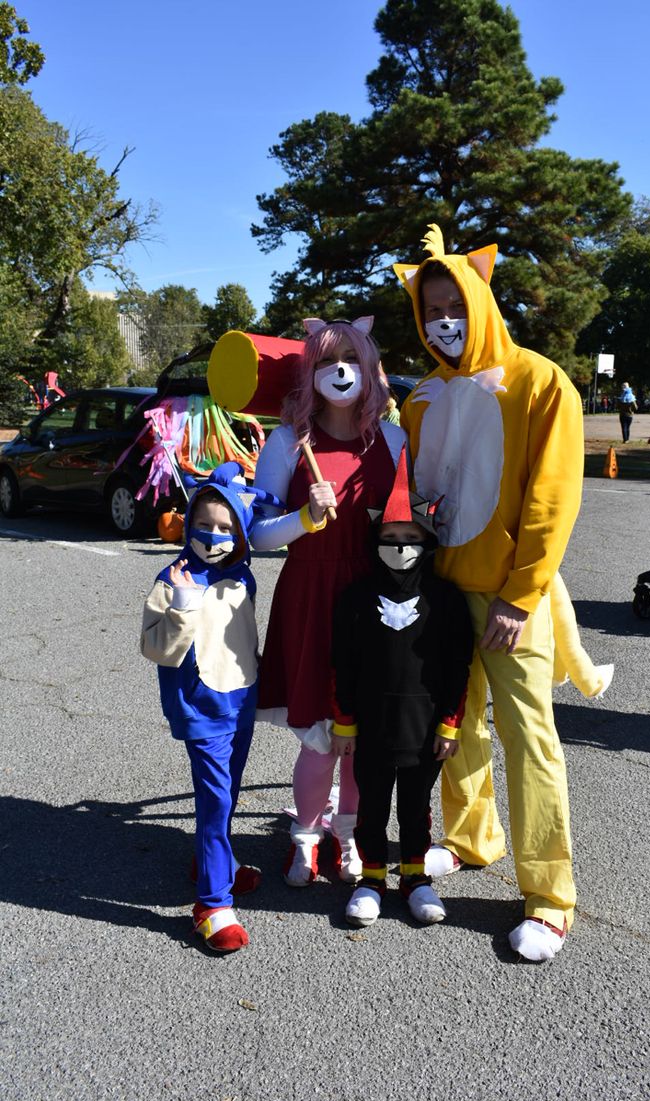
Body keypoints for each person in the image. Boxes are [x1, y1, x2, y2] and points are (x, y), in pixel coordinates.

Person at [393, 224, 584, 962]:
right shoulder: (421, 395)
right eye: (430, 308)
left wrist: (520, 595)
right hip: (438, 591)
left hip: (508, 598)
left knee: (529, 738)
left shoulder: (540, 381)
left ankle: (550, 895)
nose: (444, 320)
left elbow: (553, 499)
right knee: (455, 727)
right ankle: (472, 839)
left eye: (454, 305)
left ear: (479, 300)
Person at [250, 317, 406, 887]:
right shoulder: (288, 442)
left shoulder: (391, 439)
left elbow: (407, 521)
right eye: (324, 362)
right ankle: (305, 840)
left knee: (362, 737)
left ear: (369, 371)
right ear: (309, 374)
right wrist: (304, 519)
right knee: (320, 738)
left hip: (375, 598)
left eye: (351, 360)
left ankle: (352, 835)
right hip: (312, 595)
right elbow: (257, 533)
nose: (339, 372)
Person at [331, 448, 474, 927]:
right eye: (389, 537)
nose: (399, 545)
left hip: (425, 726)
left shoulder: (447, 600)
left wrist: (450, 725)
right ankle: (371, 878)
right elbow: (343, 663)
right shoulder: (354, 597)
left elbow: (459, 666)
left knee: (415, 807)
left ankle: (415, 876)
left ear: (427, 541)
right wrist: (344, 722)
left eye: (410, 537)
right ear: (375, 541)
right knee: (372, 805)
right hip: (370, 724)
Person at [141, 461, 276, 953]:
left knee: (229, 792)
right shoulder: (172, 577)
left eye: (225, 528)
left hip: (241, 701)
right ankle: (212, 903)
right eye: (204, 525)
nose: (213, 536)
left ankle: (214, 860)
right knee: (215, 801)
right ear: (188, 523)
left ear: (241, 534)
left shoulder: (243, 578)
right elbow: (155, 649)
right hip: (201, 709)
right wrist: (182, 603)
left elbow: (243, 637)